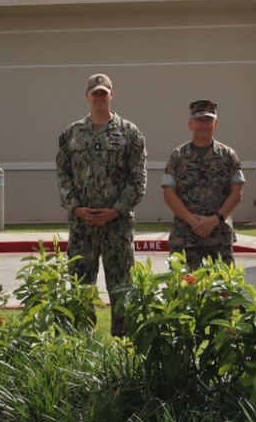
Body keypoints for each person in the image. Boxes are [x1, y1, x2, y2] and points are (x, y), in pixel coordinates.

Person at [56, 73, 147, 336]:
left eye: (103, 92)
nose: (99, 97)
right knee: (80, 287)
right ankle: (81, 345)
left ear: (111, 95)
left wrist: (116, 210)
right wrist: (75, 208)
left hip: (117, 225)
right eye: (94, 92)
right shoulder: (71, 134)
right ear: (87, 96)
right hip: (82, 225)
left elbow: (138, 178)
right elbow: (62, 174)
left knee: (122, 286)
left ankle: (124, 345)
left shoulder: (130, 133)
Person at [161, 99, 245, 271]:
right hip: (185, 240)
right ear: (190, 123)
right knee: (183, 293)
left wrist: (214, 220)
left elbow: (237, 193)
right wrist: (194, 222)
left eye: (208, 120)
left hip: (219, 239)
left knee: (222, 295)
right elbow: (169, 194)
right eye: (199, 120)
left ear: (216, 123)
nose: (203, 124)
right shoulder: (178, 156)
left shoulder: (228, 156)